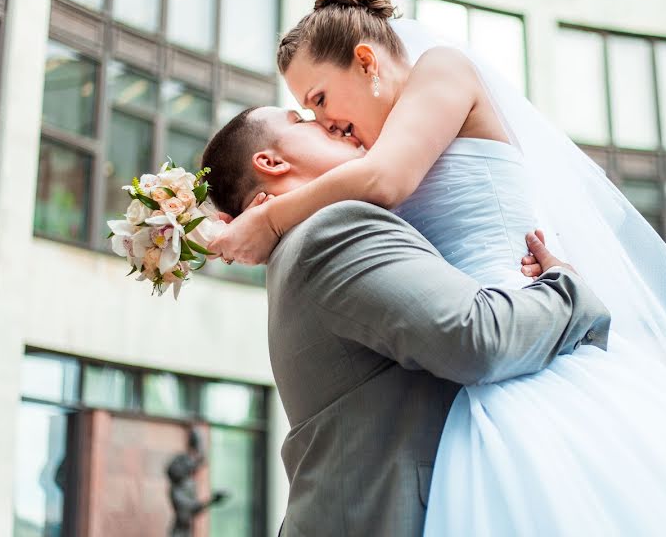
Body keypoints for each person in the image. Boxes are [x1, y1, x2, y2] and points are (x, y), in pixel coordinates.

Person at [208, 0, 666, 536]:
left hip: (517, 328)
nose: (322, 122)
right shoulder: (355, 187)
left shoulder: (441, 75)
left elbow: (385, 182)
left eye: (318, 100)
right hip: (490, 352)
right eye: (304, 114)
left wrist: (270, 217)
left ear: (367, 60)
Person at [200, 106, 612, 535]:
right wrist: (569, 289)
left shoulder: (298, 248)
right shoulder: (332, 230)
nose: (332, 122)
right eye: (303, 120)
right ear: (271, 161)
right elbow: (477, 337)